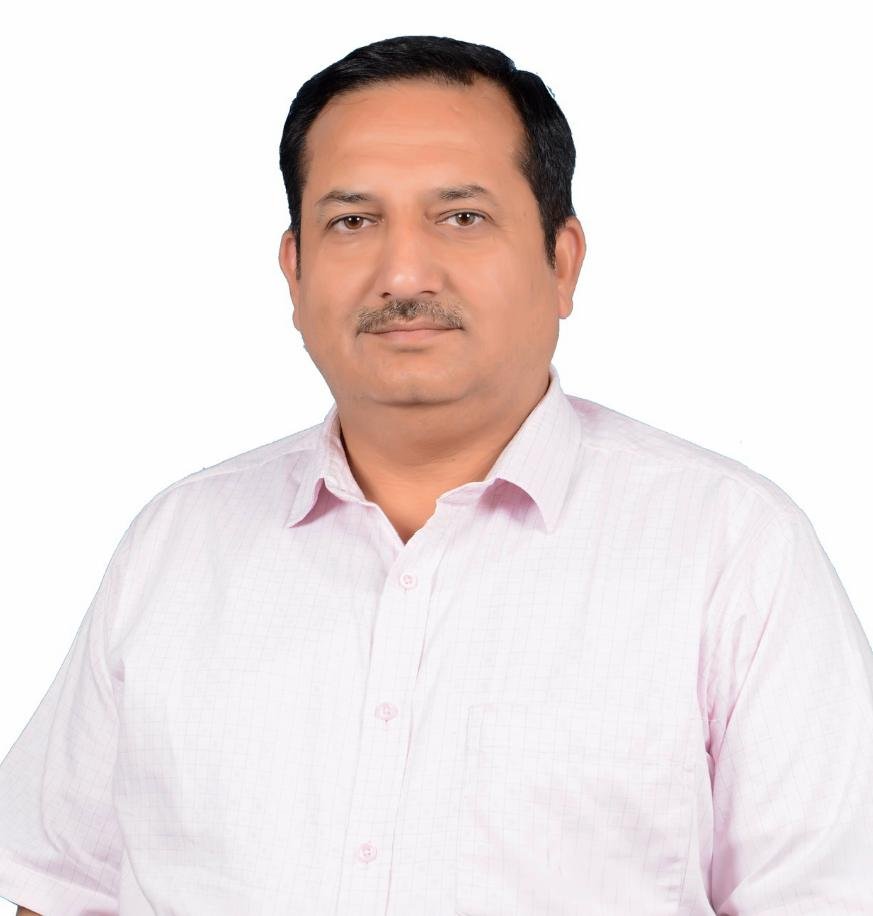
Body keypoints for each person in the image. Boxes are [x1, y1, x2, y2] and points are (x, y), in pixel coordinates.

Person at [1, 33, 872, 916]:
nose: (403, 273)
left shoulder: (730, 550)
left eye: (461, 217)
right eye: (352, 221)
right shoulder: (177, 546)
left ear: (561, 260)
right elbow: (56, 883)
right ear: (294, 270)